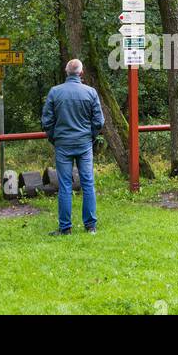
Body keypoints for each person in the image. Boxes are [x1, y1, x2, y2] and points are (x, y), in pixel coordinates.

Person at [41, 59, 103, 235]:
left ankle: (65, 227)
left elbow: (46, 121)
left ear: (66, 72)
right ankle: (90, 226)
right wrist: (89, 136)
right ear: (81, 73)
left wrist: (55, 138)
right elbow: (99, 121)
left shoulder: (55, 92)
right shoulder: (90, 93)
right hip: (84, 144)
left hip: (63, 144)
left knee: (65, 185)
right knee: (88, 183)